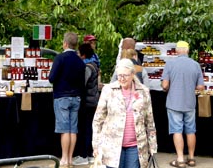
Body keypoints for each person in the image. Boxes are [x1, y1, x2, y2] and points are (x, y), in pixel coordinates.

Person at [92, 58, 157, 168]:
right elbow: (98, 120)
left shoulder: (143, 91)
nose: (121, 78)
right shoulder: (108, 90)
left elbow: (150, 121)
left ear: (132, 74)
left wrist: (153, 147)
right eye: (119, 75)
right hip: (111, 146)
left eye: (125, 75)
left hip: (136, 146)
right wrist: (96, 145)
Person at [161, 41, 204, 168]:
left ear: (176, 51)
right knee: (191, 130)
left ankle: (180, 160)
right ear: (188, 51)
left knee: (177, 130)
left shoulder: (170, 64)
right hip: (190, 103)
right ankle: (191, 158)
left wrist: (168, 87)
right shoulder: (196, 65)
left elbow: (164, 85)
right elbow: (201, 87)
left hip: (174, 103)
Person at [48, 32, 86, 166]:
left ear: (65, 43)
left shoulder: (60, 58)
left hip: (61, 97)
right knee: (73, 129)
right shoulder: (80, 61)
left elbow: (51, 78)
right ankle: (70, 158)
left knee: (64, 129)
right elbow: (83, 83)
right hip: (76, 97)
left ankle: (64, 159)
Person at [73, 43, 99, 165]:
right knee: (89, 127)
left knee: (85, 128)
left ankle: (84, 155)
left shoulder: (87, 67)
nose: (78, 55)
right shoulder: (95, 64)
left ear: (83, 54)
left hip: (87, 102)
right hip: (93, 101)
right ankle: (89, 154)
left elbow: (82, 84)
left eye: (79, 53)